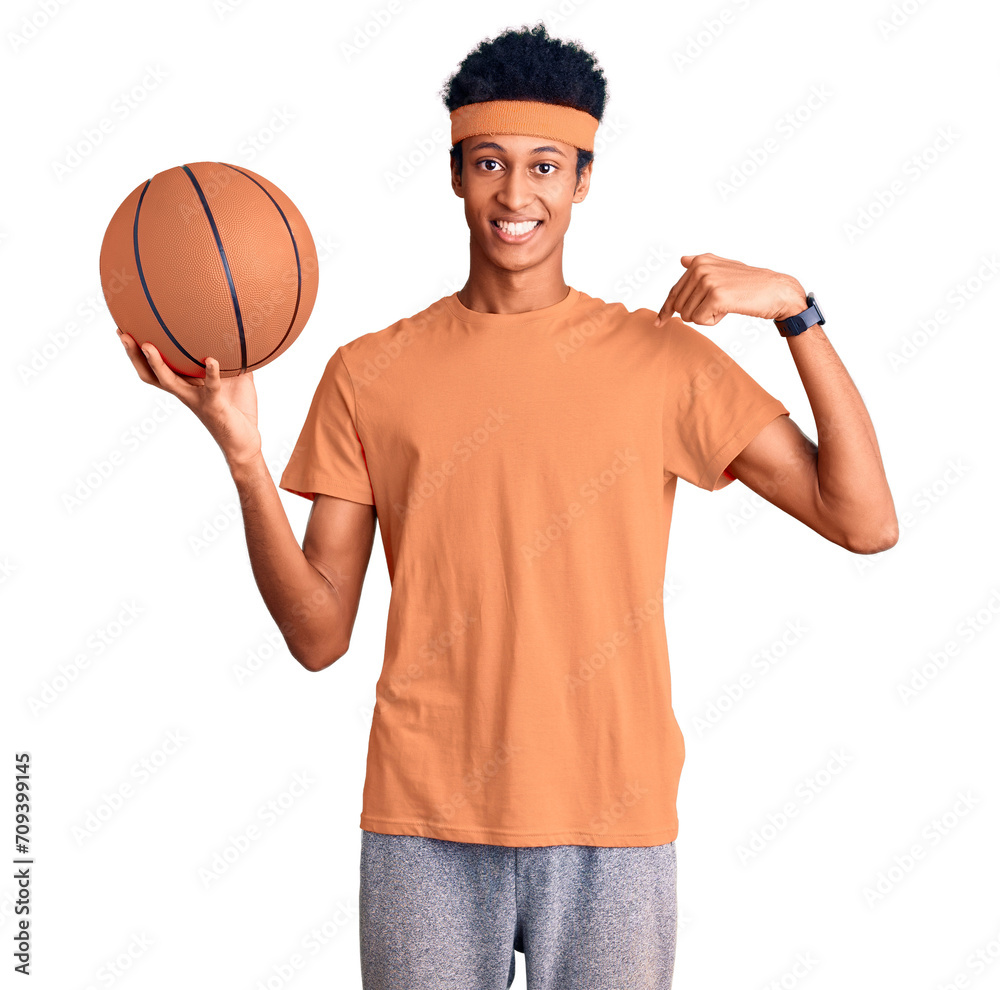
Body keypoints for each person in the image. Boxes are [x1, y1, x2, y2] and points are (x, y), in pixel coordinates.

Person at [118, 21, 897, 990]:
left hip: (613, 822)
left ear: (581, 182)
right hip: (424, 825)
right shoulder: (370, 373)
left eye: (544, 167)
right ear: (454, 174)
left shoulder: (661, 362)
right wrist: (242, 453)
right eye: (488, 163)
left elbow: (864, 521)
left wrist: (796, 311)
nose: (515, 195)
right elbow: (319, 634)